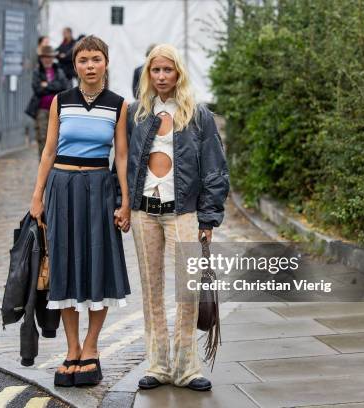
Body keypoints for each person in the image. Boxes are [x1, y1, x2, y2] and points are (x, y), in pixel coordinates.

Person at [29, 35, 131, 387]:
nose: (90, 66)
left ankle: (91, 347)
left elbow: (121, 156)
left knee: (98, 266)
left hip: (100, 189)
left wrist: (125, 200)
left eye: (96, 59)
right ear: (74, 65)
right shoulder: (61, 101)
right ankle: (71, 349)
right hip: (62, 187)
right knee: (65, 267)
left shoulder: (119, 105)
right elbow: (48, 150)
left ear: (106, 62)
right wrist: (37, 195)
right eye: (83, 60)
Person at [127, 44, 229, 391]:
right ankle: (157, 365)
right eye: (155, 71)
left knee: (186, 290)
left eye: (167, 70)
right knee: (151, 291)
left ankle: (187, 368)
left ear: (178, 73)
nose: (161, 77)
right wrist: (123, 203)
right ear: (148, 74)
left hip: (183, 213)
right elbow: (125, 163)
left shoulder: (198, 115)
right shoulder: (137, 113)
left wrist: (209, 218)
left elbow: (215, 168)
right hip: (145, 213)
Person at [25, 45, 70, 156]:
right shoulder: (37, 72)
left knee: (58, 137)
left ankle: (55, 166)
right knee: (42, 137)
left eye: (49, 57)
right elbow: (37, 89)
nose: (47, 59)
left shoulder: (59, 71)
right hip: (42, 110)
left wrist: (47, 85)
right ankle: (43, 165)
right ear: (41, 58)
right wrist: (54, 86)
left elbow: (64, 86)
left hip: (57, 111)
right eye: (45, 57)